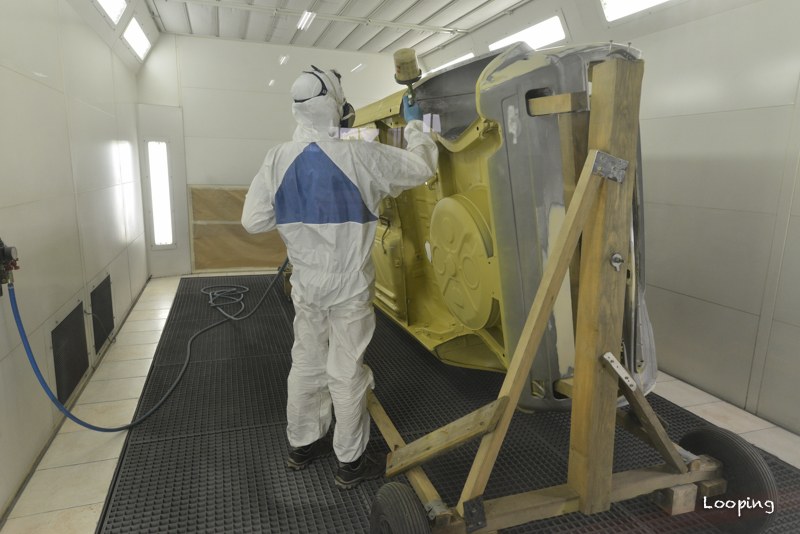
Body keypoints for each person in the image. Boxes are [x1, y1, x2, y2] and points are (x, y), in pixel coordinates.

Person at [241, 66, 438, 489]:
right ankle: (349, 462)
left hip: (306, 283)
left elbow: (253, 221)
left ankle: (302, 445)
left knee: (306, 362)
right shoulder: (361, 156)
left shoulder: (277, 158)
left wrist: (296, 221)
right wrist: (417, 125)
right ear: (335, 106)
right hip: (349, 285)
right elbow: (422, 168)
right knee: (346, 370)